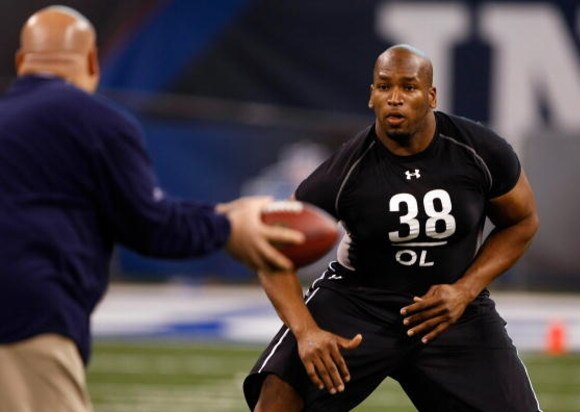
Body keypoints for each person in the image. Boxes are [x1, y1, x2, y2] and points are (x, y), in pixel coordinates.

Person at [0, 6, 304, 412]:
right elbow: (151, 226)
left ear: (23, 62)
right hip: (26, 316)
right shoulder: (98, 123)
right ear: (92, 62)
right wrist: (229, 226)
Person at [243, 44, 542, 411]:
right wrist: (306, 332)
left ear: (431, 96)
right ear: (372, 96)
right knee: (277, 401)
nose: (395, 99)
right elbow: (270, 251)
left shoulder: (478, 150)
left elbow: (523, 221)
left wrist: (465, 290)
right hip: (359, 305)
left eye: (408, 88)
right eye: (384, 87)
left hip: (449, 310)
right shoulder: (347, 168)